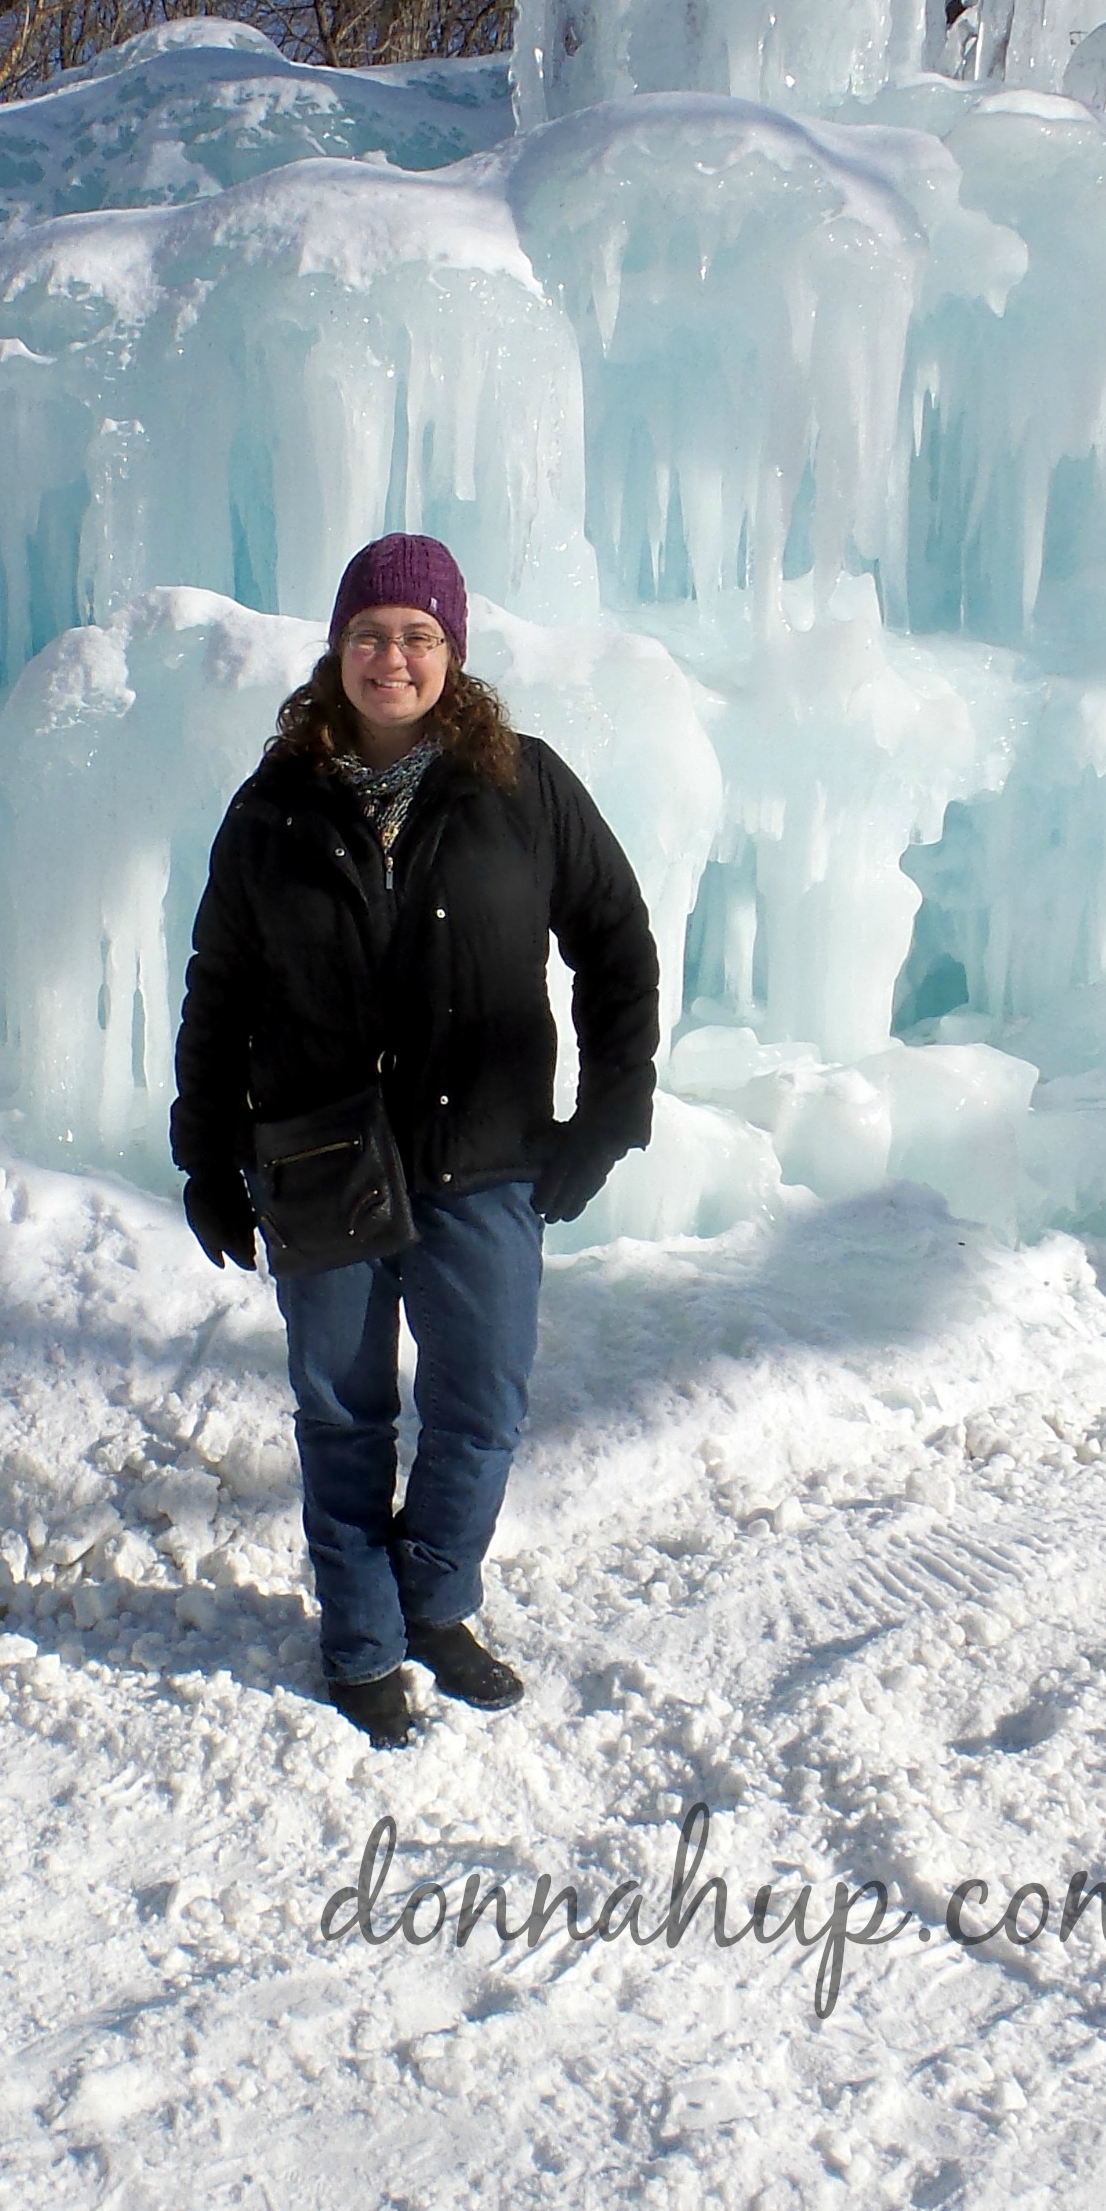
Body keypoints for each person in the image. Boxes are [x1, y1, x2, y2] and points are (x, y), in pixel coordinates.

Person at [170, 533, 660, 1749]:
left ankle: (434, 1605)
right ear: (337, 651)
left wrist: (606, 1115)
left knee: (480, 1403)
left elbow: (615, 942)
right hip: (317, 1160)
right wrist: (207, 1155)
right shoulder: (272, 806)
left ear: (454, 654)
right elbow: (218, 987)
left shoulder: (524, 788)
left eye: (418, 635)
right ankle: (360, 1638)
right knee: (342, 1414)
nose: (393, 655)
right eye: (370, 634)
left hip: (481, 1156)